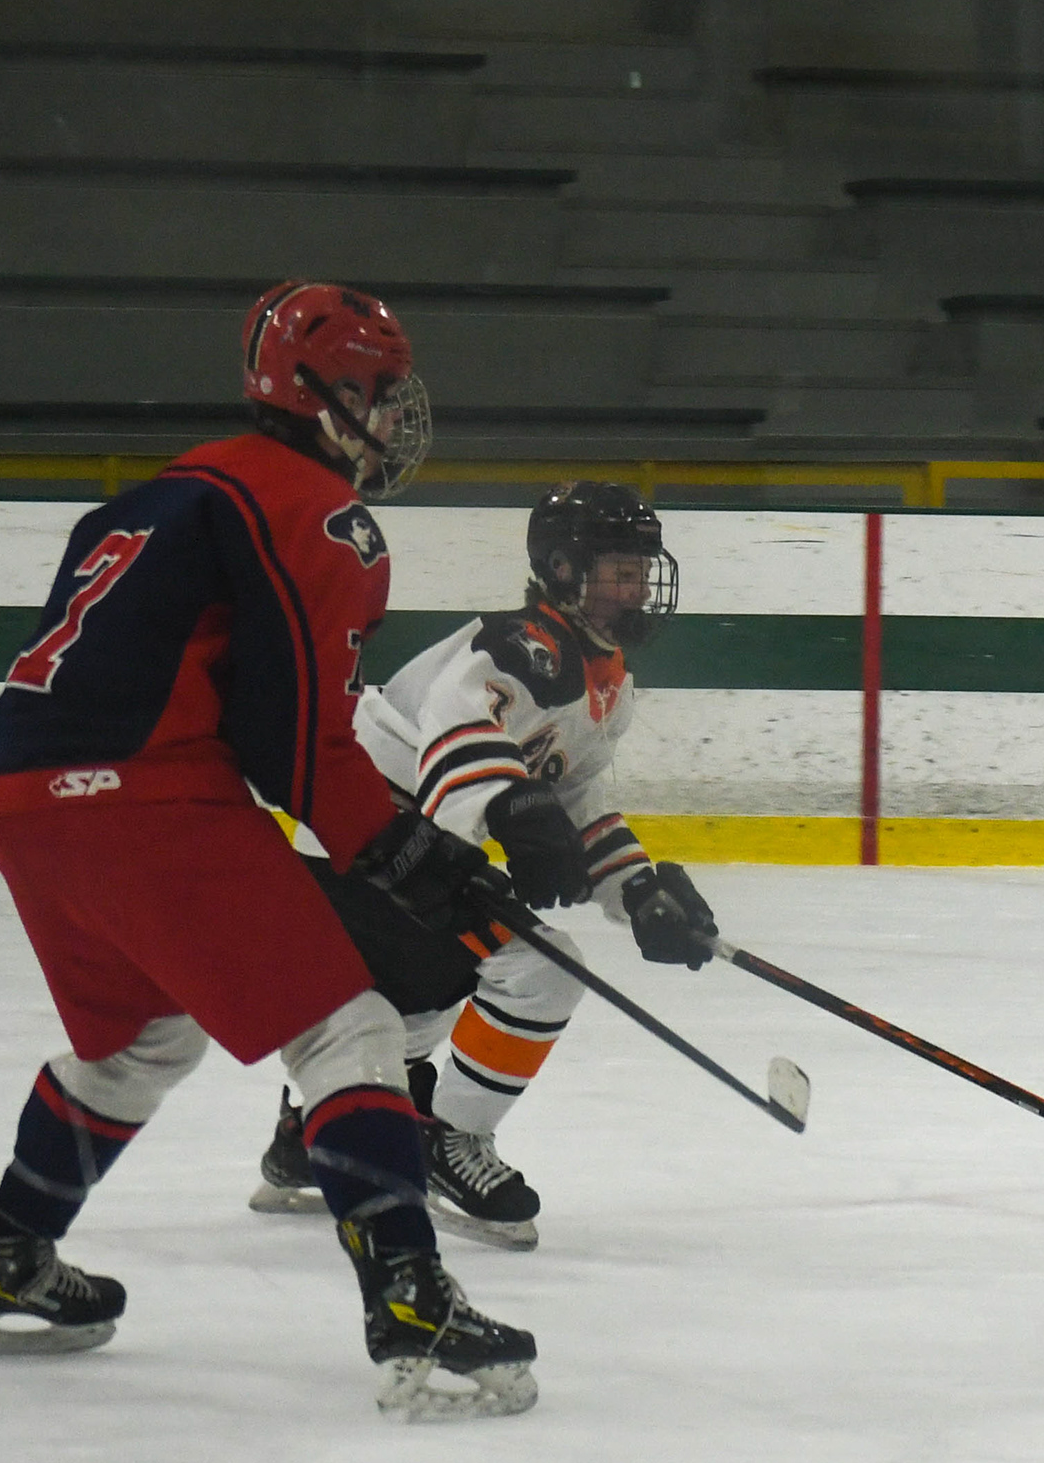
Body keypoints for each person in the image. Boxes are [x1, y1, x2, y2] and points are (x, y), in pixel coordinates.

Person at [0, 281, 541, 1420]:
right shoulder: (320, 514)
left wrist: (395, 842)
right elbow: (296, 740)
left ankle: (8, 1255)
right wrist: (402, 848)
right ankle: (412, 1300)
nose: (392, 414)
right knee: (352, 1028)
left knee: (142, 1040)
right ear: (314, 393)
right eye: (375, 390)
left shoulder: (155, 494)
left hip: (25, 803)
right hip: (144, 799)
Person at [249, 482, 718, 1248]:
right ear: (564, 570)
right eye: (618, 572)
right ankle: (450, 1141)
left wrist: (637, 891)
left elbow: (577, 797)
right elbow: (455, 724)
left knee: (420, 998)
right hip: (370, 839)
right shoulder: (525, 645)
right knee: (541, 972)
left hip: (389, 844)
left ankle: (315, 1135)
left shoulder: (605, 679)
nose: (635, 589)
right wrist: (509, 808)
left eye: (640, 572)